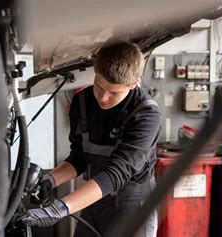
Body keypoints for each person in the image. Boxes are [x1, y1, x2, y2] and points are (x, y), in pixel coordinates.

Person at [18, 41, 162, 237]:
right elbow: (79, 158)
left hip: (132, 205)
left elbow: (117, 173)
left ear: (134, 83)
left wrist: (59, 209)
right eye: (99, 85)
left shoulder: (146, 115)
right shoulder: (82, 102)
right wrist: (50, 180)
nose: (103, 98)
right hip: (94, 199)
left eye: (113, 92)